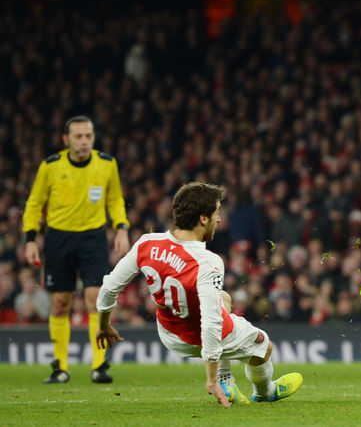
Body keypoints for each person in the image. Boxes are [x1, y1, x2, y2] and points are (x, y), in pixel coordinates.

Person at [95, 182, 303, 407]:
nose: (219, 219)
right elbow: (211, 322)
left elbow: (108, 288)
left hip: (168, 331)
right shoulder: (207, 262)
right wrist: (211, 379)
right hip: (197, 336)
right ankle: (264, 392)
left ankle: (226, 380)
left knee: (224, 298)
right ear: (203, 218)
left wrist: (104, 325)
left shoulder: (147, 243)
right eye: (217, 212)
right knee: (264, 347)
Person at [22, 115, 131, 384]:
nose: (84, 141)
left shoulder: (106, 164)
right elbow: (35, 203)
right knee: (60, 303)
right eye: (78, 136)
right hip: (58, 238)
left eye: (88, 136)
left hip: (93, 238)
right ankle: (60, 367)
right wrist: (30, 238)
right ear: (66, 139)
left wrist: (121, 227)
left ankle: (99, 365)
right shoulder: (50, 166)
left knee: (95, 298)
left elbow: (115, 199)